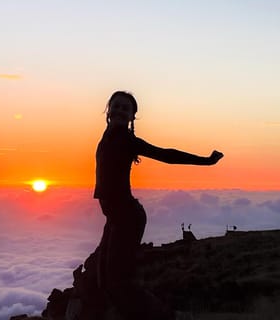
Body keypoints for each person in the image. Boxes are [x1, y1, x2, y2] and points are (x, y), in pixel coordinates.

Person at [93, 91, 223, 319]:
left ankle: (166, 315)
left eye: (126, 108)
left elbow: (167, 155)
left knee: (118, 282)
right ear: (108, 109)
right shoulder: (108, 136)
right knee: (102, 278)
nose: (121, 111)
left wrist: (206, 161)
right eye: (117, 106)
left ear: (133, 116)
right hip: (114, 218)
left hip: (128, 219)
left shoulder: (127, 140)